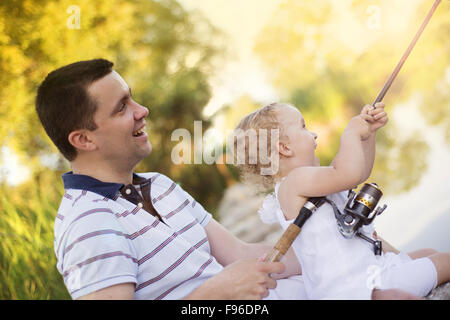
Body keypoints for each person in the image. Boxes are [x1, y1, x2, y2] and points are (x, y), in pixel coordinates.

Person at [34, 58, 306, 300]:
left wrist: (326, 252)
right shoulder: (87, 223)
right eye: (121, 108)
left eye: (132, 99)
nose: (142, 111)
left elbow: (239, 253)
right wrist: (215, 293)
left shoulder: (159, 184)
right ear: (84, 139)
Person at [234, 102, 450, 299]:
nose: (314, 134)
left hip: (370, 270)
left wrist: (368, 135)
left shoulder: (313, 178)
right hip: (351, 288)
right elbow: (349, 174)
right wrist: (351, 133)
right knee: (443, 262)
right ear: (285, 148)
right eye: (304, 127)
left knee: (428, 254)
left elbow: (360, 172)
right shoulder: (294, 183)